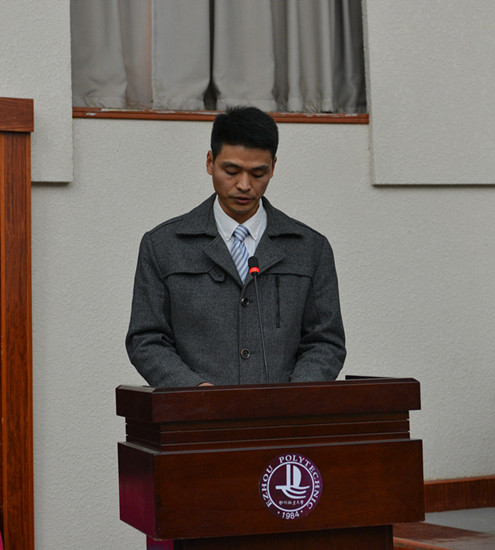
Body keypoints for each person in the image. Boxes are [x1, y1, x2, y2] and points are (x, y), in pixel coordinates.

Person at [126, 106, 346, 387]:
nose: (244, 185)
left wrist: (295, 396)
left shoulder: (310, 248)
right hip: (196, 411)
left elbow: (326, 341)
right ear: (210, 162)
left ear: (273, 167)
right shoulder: (163, 245)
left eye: (258, 173)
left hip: (283, 413)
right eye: (231, 171)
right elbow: (146, 340)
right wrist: (196, 391)